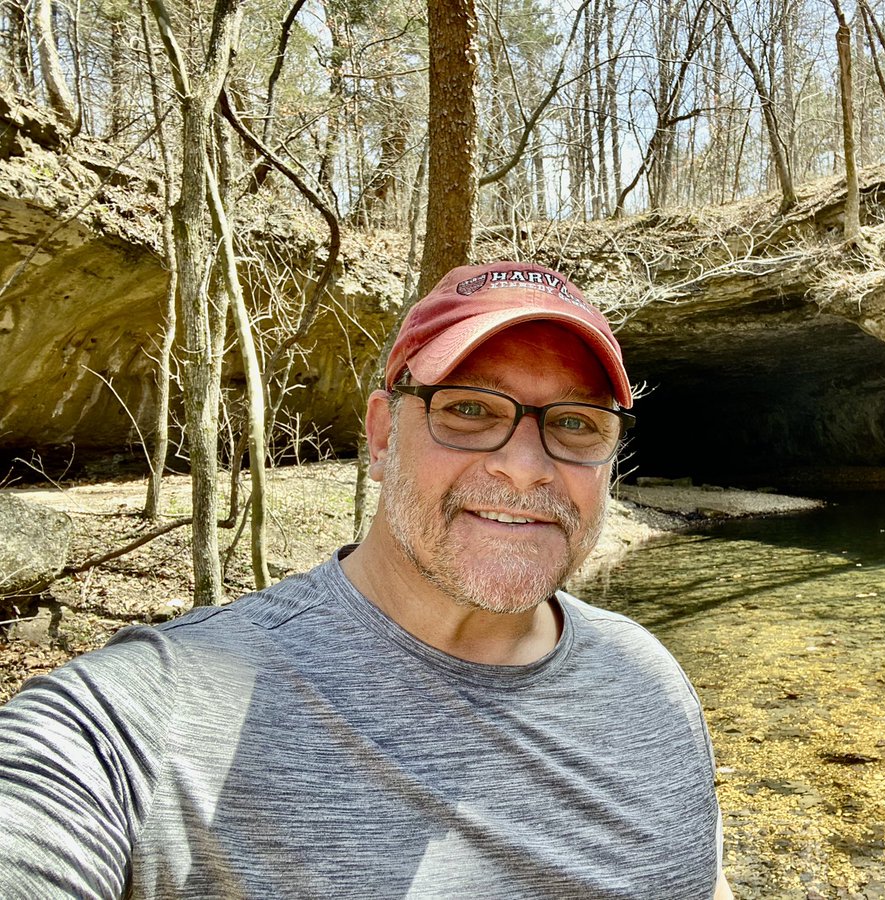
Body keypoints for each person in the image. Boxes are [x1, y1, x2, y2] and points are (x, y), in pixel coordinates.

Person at [0, 261, 733, 899]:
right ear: (383, 436)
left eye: (576, 424)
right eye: (470, 410)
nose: (526, 465)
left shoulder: (651, 678)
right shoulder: (147, 717)